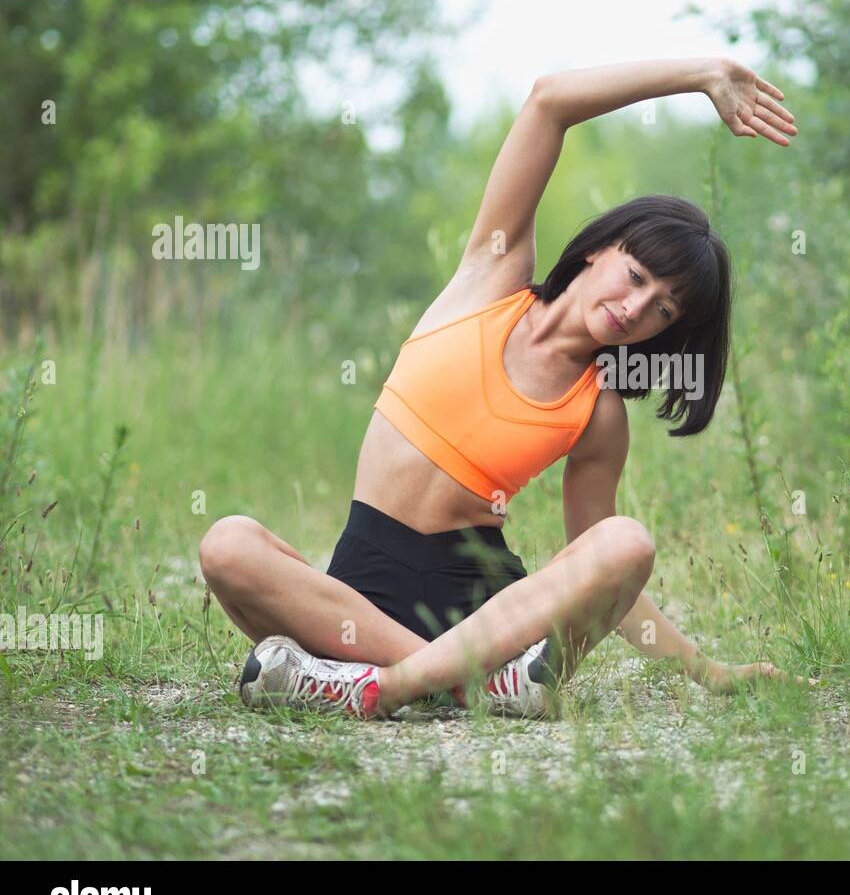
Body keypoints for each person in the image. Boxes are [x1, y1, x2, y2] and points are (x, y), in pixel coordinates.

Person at [198, 56, 811, 720]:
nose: (637, 307)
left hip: (489, 613)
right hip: (364, 601)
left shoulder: (599, 413)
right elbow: (548, 103)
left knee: (628, 540)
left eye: (663, 309)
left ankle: (377, 688)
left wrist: (707, 671)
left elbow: (605, 567)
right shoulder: (490, 278)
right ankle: (459, 688)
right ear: (600, 251)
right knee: (228, 545)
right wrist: (698, 74)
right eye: (636, 276)